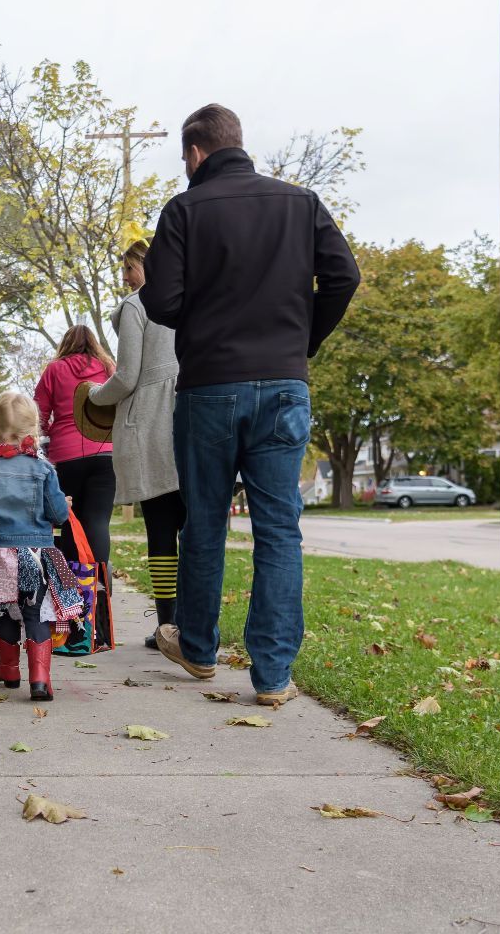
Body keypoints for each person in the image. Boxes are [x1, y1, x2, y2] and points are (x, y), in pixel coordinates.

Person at [139, 103, 360, 707]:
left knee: (205, 520)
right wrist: (301, 339)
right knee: (279, 530)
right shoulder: (301, 202)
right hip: (284, 386)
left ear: (195, 153)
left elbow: (159, 301)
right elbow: (344, 277)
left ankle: (202, 651)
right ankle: (272, 676)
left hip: (209, 385)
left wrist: (206, 317)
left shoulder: (184, 210)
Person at [0, 392, 87, 701]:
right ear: (33, 432)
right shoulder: (44, 469)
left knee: (8, 611)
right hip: (36, 557)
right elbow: (59, 515)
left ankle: (9, 669)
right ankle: (40, 678)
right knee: (35, 614)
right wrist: (64, 504)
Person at [85, 240, 184, 650]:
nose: (125, 278)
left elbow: (126, 377)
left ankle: (168, 626)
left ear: (147, 266)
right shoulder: (189, 296)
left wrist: (92, 398)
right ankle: (197, 624)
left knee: (160, 529)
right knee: (195, 530)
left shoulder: (136, 306)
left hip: (152, 423)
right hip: (193, 415)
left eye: (129, 268)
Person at [34, 326, 118, 594]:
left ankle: (70, 595)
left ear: (65, 344)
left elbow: (38, 415)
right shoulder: (108, 367)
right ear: (94, 344)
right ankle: (100, 589)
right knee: (98, 521)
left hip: (66, 457)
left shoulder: (54, 370)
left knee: (71, 521)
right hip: (105, 453)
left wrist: (48, 439)